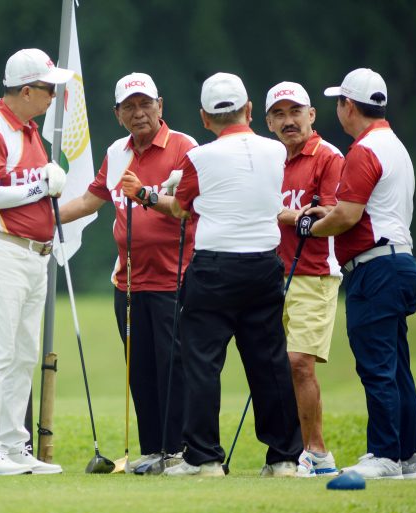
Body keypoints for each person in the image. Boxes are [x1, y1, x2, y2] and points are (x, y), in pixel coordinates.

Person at [128, 72, 303, 477]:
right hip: (263, 265)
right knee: (269, 361)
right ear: (250, 110)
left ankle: (204, 459)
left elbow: (181, 208)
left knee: (202, 363)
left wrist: (146, 193)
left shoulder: (198, 157)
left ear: (204, 118)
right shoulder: (276, 151)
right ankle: (283, 459)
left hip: (214, 268)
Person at [59, 72, 197, 471]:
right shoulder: (117, 151)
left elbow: (187, 207)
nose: (139, 113)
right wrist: (45, 218)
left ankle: (179, 451)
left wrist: (146, 194)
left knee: (174, 367)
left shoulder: (184, 148)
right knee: (140, 370)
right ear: (117, 113)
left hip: (176, 277)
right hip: (130, 282)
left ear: (160, 105)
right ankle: (153, 449)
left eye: (145, 104)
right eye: (129, 107)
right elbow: (90, 199)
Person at [301, 68, 416, 480]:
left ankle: (384, 454)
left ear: (347, 106)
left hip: (375, 268)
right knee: (397, 364)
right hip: (400, 261)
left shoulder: (362, 150)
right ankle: (407, 457)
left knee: (377, 365)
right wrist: (330, 214)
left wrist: (311, 226)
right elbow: (363, 210)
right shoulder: (396, 146)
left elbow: (349, 216)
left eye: (339, 102)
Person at [0, 48, 72, 475]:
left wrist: (48, 184)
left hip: (35, 255)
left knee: (24, 353)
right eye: (48, 90)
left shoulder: (30, 131)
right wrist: (41, 188)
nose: (53, 97)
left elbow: (33, 184)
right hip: (4, 249)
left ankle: (12, 444)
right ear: (26, 90)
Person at [264, 81, 343, 477]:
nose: (288, 121)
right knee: (276, 366)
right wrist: (298, 214)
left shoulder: (328, 156)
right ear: (268, 122)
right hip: (271, 273)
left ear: (312, 115)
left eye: (296, 112)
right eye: (279, 114)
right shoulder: (270, 159)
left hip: (314, 273)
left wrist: (286, 215)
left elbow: (329, 214)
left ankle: (318, 452)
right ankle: (287, 451)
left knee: (299, 363)